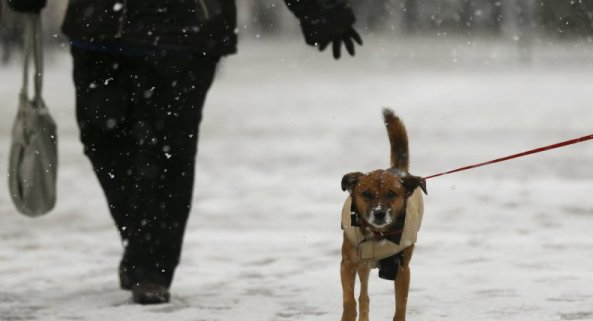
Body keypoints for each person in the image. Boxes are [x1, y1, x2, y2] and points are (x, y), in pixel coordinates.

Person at [8, 0, 362, 304]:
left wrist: (319, 8)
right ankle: (143, 242)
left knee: (168, 150)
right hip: (99, 29)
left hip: (185, 30)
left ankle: (152, 266)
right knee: (101, 138)